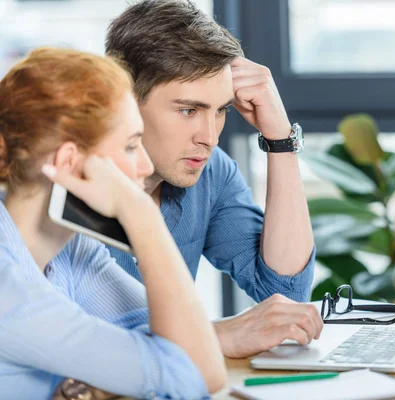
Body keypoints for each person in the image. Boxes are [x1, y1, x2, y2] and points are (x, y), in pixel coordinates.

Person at [0, 47, 226, 399]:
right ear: (70, 163)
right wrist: (142, 216)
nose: (146, 167)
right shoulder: (9, 294)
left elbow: (173, 346)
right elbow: (196, 377)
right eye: (132, 146)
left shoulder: (74, 250)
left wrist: (97, 388)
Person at [105, 0, 323, 359]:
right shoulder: (69, 189)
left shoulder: (210, 172)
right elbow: (74, 345)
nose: (209, 137)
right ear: (123, 99)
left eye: (220, 110)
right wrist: (217, 334)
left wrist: (280, 141)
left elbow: (285, 291)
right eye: (188, 110)